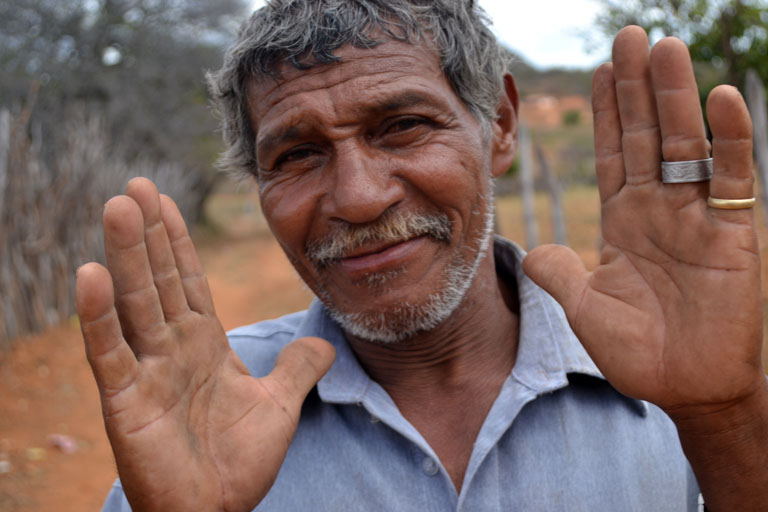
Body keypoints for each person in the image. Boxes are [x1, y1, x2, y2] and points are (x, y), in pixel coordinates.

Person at [75, 1, 768, 510]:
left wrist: (724, 418)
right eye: (298, 154)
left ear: (498, 123)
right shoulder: (204, 429)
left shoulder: (672, 391)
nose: (358, 197)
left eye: (402, 126)